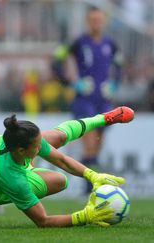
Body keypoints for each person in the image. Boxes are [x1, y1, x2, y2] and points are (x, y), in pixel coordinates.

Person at [0, 106, 134, 227]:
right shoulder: (12, 180)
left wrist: (93, 175)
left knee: (57, 137)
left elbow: (62, 160)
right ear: (21, 150)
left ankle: (102, 118)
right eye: (36, 146)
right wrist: (84, 217)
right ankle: (27, 167)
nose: (40, 145)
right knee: (59, 181)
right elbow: (43, 221)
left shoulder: (16, 136)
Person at [52, 6, 122, 193]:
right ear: (87, 21)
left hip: (103, 101)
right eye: (92, 20)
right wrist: (72, 83)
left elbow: (120, 65)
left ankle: (92, 186)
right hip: (84, 101)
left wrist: (114, 84)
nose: (95, 23)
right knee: (90, 144)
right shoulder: (78, 42)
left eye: (98, 20)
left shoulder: (110, 43)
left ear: (104, 21)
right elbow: (56, 61)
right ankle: (89, 190)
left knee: (97, 146)